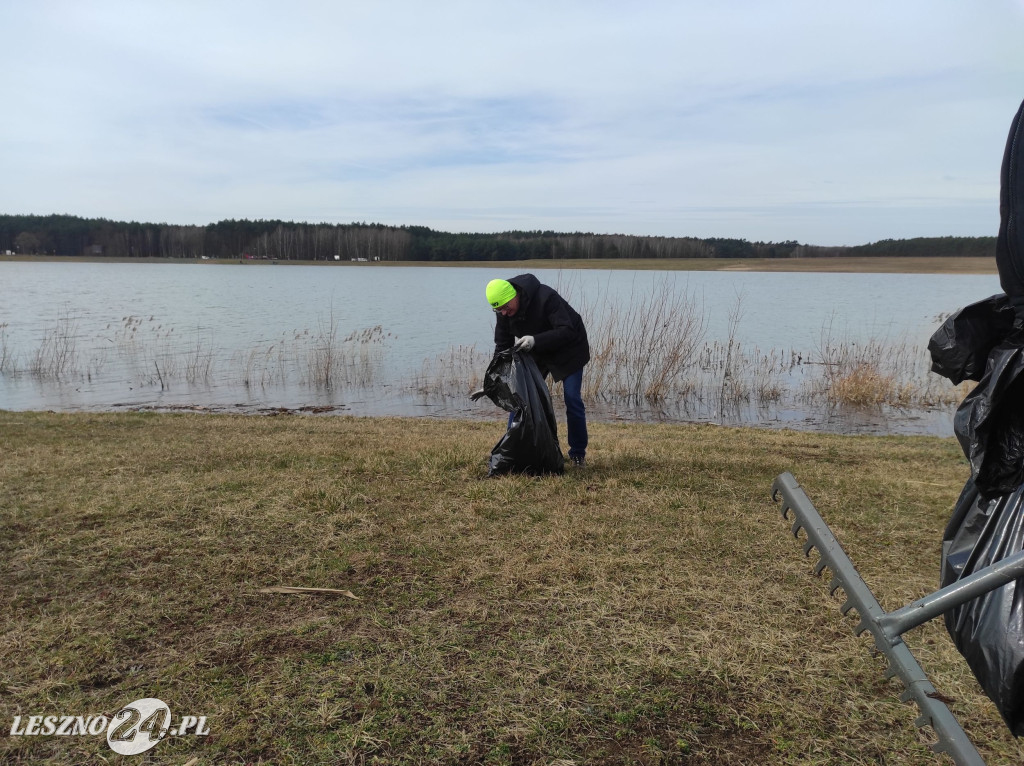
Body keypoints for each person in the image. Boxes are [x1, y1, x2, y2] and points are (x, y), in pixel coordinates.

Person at [486, 274, 590, 467]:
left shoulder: (546, 297)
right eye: (498, 310)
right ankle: (513, 449)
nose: (504, 314)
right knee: (521, 399)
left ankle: (577, 453)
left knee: (572, 398)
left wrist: (535, 340)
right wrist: (493, 379)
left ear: (514, 296)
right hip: (538, 352)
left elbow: (567, 330)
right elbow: (502, 346)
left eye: (506, 308)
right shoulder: (504, 312)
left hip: (570, 349)